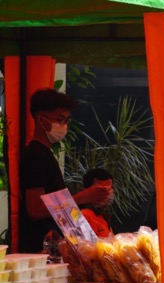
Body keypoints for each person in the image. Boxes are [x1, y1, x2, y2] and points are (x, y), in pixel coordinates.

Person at [19, 88, 112, 252]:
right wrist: (82, 197)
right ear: (41, 120)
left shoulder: (46, 154)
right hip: (39, 250)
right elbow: (35, 209)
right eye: (60, 119)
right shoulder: (35, 155)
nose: (64, 126)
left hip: (53, 247)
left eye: (66, 120)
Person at [81, 168, 115, 238]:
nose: (107, 194)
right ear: (87, 191)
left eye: (110, 189)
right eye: (102, 190)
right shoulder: (83, 215)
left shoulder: (102, 216)